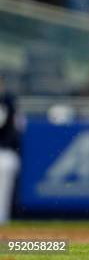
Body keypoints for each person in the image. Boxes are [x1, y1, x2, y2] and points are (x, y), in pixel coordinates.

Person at [0, 76, 20, 224]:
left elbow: (14, 130)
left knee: (3, 192)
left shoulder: (8, 102)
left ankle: (2, 220)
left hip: (5, 151)